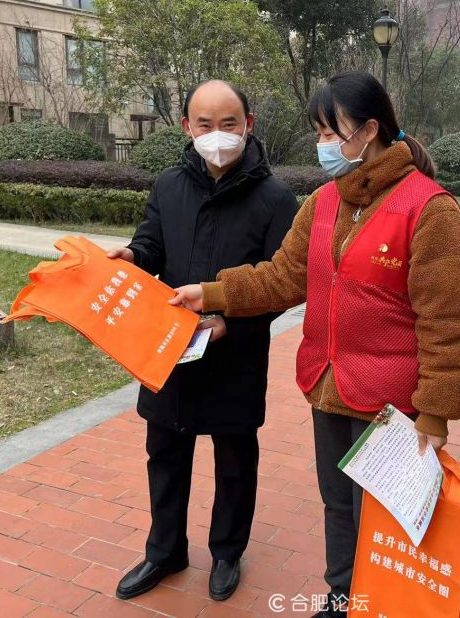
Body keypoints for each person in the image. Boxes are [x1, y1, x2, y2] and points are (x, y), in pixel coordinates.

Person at [171, 71, 460, 617]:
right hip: (328, 384)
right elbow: (282, 276)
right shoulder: (323, 203)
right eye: (319, 132)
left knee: (384, 518)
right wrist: (212, 294)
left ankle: (381, 605)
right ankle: (341, 599)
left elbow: (448, 321)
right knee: (338, 506)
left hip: (392, 404)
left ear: (369, 130)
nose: (323, 145)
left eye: (330, 132)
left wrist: (435, 412)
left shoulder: (429, 210)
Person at [107, 80, 298, 603]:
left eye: (229, 123)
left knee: (235, 459)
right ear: (187, 127)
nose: (218, 135)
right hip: (169, 347)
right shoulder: (170, 185)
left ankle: (227, 553)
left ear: (248, 124)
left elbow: (281, 283)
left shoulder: (275, 199)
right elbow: (152, 244)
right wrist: (132, 256)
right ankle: (164, 551)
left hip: (235, 351)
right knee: (164, 452)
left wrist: (230, 323)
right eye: (205, 124)